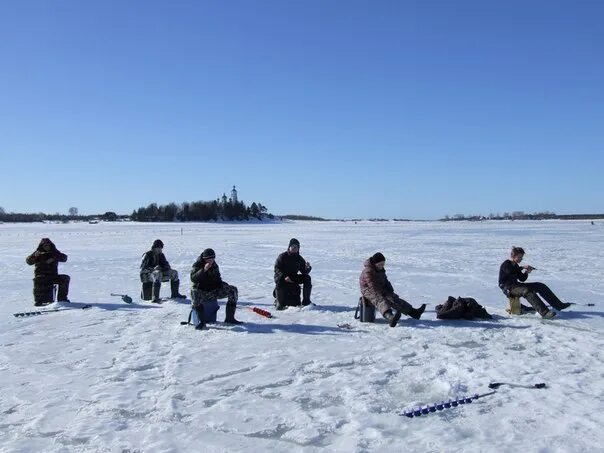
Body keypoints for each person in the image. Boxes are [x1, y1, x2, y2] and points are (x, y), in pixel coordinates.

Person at [498, 246, 571, 319]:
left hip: (516, 286)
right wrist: (522, 267)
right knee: (527, 291)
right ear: (513, 256)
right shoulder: (506, 264)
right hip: (508, 288)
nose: (521, 259)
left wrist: (526, 272)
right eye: (519, 257)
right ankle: (545, 313)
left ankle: (559, 305)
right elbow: (510, 271)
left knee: (540, 286)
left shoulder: (516, 265)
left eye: (521, 257)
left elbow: (522, 279)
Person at [359, 252, 426, 327]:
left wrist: (389, 290)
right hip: (368, 290)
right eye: (380, 264)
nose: (382, 266)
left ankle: (414, 312)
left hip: (380, 288)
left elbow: (385, 280)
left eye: (383, 264)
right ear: (375, 263)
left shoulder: (380, 269)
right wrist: (382, 293)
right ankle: (390, 317)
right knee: (380, 299)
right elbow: (372, 286)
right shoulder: (368, 271)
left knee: (393, 298)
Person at [190, 248, 242, 327]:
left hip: (212, 291)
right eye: (209, 259)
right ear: (204, 259)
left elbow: (218, 279)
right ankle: (201, 321)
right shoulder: (197, 265)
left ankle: (230, 318)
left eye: (213, 259)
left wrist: (224, 285)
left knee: (233, 290)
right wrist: (204, 270)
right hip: (201, 292)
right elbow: (193, 278)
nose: (211, 261)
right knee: (194, 291)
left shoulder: (214, 265)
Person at [26, 238, 70, 305]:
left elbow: (64, 258)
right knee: (40, 282)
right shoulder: (38, 253)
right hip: (41, 276)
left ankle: (62, 299)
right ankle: (40, 301)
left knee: (65, 278)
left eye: (48, 245)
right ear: (42, 246)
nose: (47, 247)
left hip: (53, 276)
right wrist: (34, 256)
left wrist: (55, 257)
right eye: (45, 245)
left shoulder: (54, 253)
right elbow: (29, 262)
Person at [274, 238, 312, 309]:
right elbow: (277, 269)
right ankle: (279, 304)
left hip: (293, 276)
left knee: (307, 278)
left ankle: (306, 301)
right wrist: (285, 277)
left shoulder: (299, 258)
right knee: (279, 281)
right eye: (293, 247)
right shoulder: (282, 256)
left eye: (296, 247)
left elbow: (304, 272)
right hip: (282, 277)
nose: (294, 248)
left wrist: (307, 268)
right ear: (289, 247)